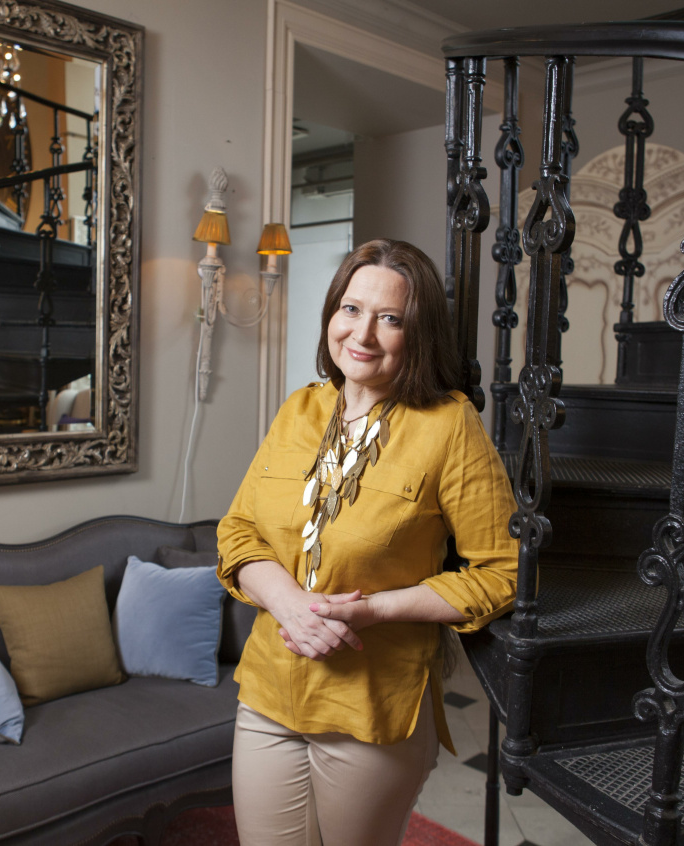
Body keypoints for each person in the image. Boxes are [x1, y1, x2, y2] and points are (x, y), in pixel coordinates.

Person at [217, 238, 518, 846]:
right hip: (269, 692)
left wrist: (375, 609)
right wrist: (287, 603)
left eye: (390, 319)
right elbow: (238, 531)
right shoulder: (299, 409)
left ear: (418, 333)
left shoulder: (450, 426)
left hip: (371, 708)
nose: (363, 333)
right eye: (351, 309)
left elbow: (501, 573)